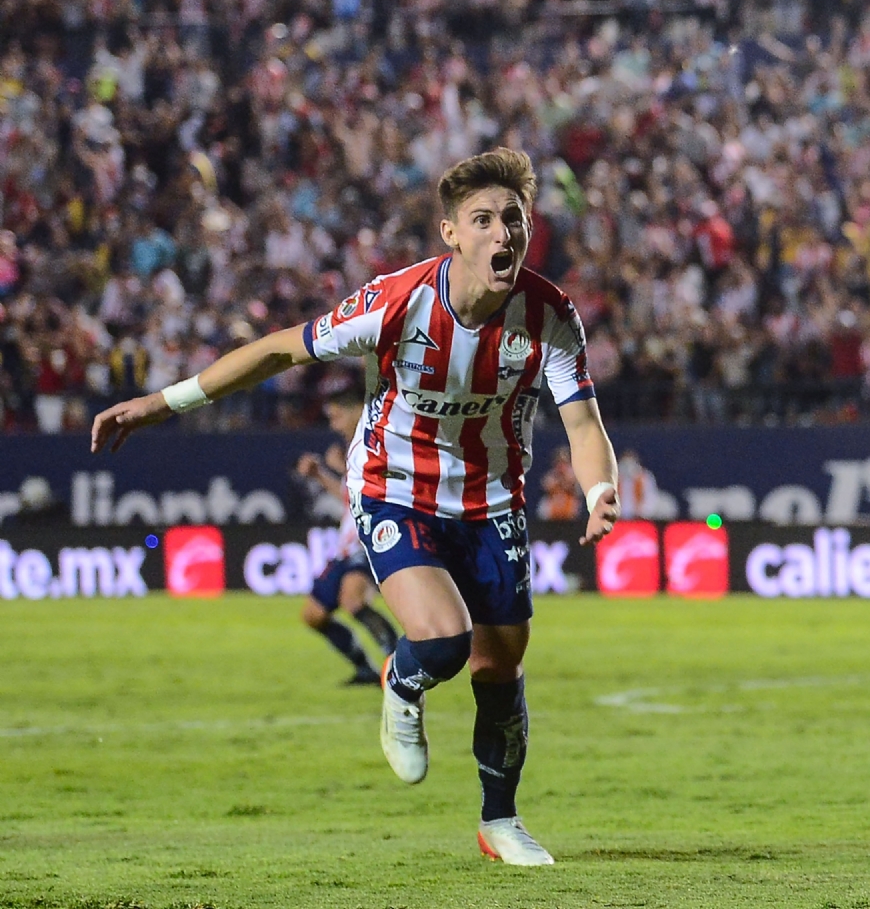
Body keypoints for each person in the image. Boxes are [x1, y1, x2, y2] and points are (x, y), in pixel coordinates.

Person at [91, 148, 621, 868]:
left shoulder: (551, 314)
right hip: (393, 485)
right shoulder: (396, 302)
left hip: (493, 500)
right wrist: (163, 402)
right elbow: (279, 351)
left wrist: (598, 492)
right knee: (442, 643)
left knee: (501, 668)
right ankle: (401, 677)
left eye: (515, 220)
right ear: (451, 234)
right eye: (485, 220)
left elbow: (583, 426)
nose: (504, 234)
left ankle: (501, 822)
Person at [294, 384, 398, 686]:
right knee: (314, 615)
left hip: (370, 541)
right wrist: (321, 475)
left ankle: (398, 668)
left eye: (337, 416)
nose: (333, 424)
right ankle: (365, 669)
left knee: (353, 601)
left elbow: (378, 492)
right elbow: (348, 496)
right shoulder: (351, 449)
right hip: (346, 547)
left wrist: (338, 467)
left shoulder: (378, 443)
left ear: (357, 412)